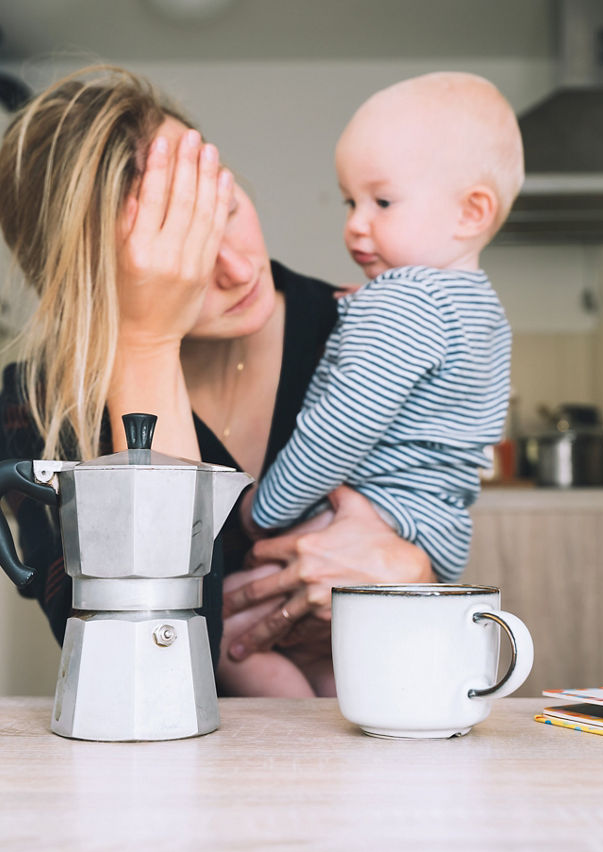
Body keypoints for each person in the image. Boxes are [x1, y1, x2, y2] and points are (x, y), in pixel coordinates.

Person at [0, 66, 433, 694]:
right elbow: (149, 675)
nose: (238, 269)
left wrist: (417, 580)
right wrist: (144, 345)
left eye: (225, 208)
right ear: (88, 291)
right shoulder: (37, 413)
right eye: (178, 257)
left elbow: (444, 587)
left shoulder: (371, 337)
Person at [220, 72, 523, 698]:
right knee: (345, 662)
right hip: (431, 533)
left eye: (382, 203)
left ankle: (292, 741)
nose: (356, 225)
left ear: (471, 212)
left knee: (222, 628)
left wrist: (264, 509)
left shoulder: (404, 303)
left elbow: (340, 429)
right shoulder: (483, 310)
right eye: (349, 202)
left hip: (368, 513)